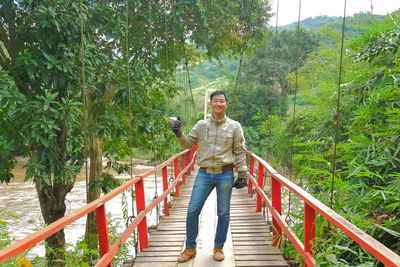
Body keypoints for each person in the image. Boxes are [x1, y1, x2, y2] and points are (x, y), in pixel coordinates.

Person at [171, 90, 248, 263]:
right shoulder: (201, 125)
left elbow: (239, 151)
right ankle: (190, 248)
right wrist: (178, 133)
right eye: (215, 101)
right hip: (204, 174)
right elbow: (188, 143)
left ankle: (218, 247)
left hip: (225, 173)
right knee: (192, 210)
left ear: (226, 104)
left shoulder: (235, 126)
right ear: (211, 103)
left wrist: (243, 174)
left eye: (222, 101)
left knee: (223, 213)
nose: (218, 104)